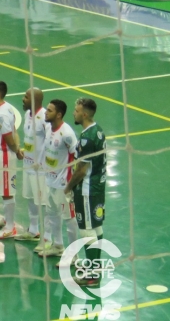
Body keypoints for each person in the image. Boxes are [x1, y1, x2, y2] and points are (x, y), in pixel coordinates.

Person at [65, 98, 107, 287]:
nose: (73, 113)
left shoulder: (86, 138)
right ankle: (95, 268)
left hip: (87, 189)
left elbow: (81, 170)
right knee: (97, 229)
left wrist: (68, 187)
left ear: (84, 114)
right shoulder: (98, 131)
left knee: (87, 230)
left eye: (76, 110)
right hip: (99, 186)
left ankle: (91, 275)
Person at [38, 99, 79, 260]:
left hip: (64, 185)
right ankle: (58, 245)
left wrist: (72, 182)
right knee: (52, 214)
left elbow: (77, 158)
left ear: (59, 114)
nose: (46, 113)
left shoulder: (67, 134)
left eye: (49, 111)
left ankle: (74, 255)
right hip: (49, 181)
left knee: (69, 218)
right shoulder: (48, 128)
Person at [0, 81, 23, 239]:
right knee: (3, 188)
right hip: (0, 154)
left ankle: (10, 227)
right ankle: (7, 219)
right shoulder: (4, 108)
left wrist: (16, 150)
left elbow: (8, 135)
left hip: (4, 155)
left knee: (7, 191)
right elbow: (14, 130)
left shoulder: (1, 114)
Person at [16, 88, 49, 243]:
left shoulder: (44, 118)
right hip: (28, 164)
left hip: (40, 169)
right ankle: (33, 230)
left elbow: (48, 141)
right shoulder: (27, 115)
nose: (23, 99)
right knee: (30, 198)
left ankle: (47, 237)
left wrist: (40, 160)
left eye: (26, 97)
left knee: (43, 202)